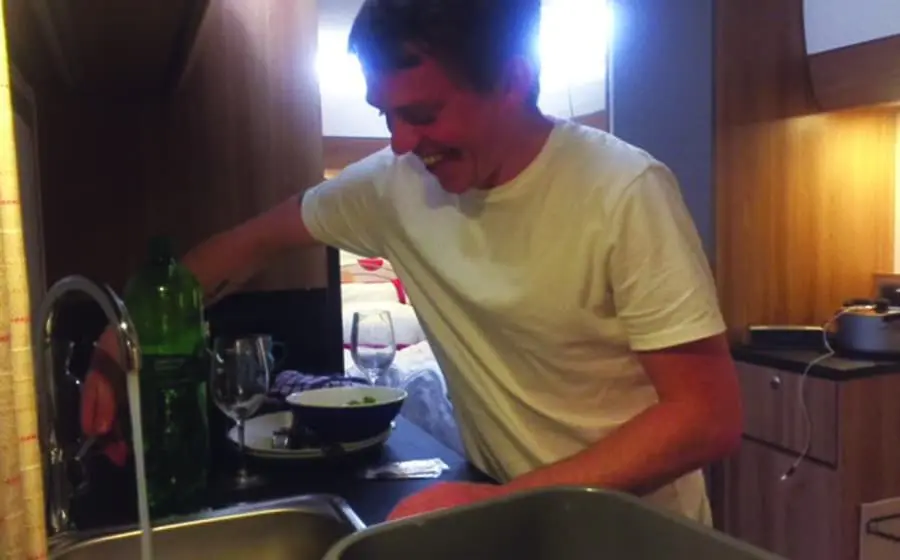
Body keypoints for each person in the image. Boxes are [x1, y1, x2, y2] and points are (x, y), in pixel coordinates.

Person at [82, 0, 742, 523]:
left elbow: (705, 417)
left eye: (421, 113)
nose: (401, 142)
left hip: (635, 534)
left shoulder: (624, 191)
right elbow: (247, 244)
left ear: (514, 81)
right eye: (387, 115)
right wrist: (118, 339)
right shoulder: (394, 186)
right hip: (517, 518)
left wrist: (506, 502)